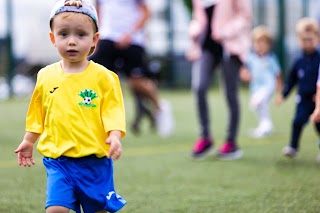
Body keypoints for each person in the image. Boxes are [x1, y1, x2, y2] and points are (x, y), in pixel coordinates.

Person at [14, 1, 127, 212]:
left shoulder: (104, 77)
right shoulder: (45, 76)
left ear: (94, 40)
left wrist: (114, 135)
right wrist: (29, 140)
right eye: (64, 34)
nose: (72, 41)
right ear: (52, 38)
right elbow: (38, 112)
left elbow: (113, 109)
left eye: (81, 35)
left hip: (94, 165)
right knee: (55, 209)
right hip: (59, 162)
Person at [90, 0, 174, 138]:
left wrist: (130, 34)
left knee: (137, 82)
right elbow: (98, 12)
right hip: (107, 37)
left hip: (133, 39)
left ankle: (160, 107)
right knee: (98, 79)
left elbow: (146, 12)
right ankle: (98, 120)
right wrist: (96, 36)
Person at [188, 0, 252, 160]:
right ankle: (205, 138)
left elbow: (245, 16)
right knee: (199, 87)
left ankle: (231, 142)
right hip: (206, 47)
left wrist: (225, 32)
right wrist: (194, 29)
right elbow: (198, 18)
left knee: (230, 93)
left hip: (230, 46)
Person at [276, 17, 320, 159]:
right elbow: (291, 81)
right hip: (303, 99)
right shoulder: (297, 61)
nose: (307, 43)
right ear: (299, 40)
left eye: (310, 39)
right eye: (303, 40)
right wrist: (283, 95)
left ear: (317, 39)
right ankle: (293, 147)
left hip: (317, 100)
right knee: (297, 121)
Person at [240, 25, 283, 138]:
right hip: (255, 87)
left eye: (263, 43)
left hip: (268, 86)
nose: (260, 46)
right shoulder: (251, 58)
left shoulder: (271, 58)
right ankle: (263, 126)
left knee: (260, 102)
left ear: (269, 45)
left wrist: (279, 89)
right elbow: (244, 70)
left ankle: (266, 125)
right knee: (260, 107)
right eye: (257, 43)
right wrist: (244, 74)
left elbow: (278, 74)